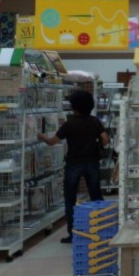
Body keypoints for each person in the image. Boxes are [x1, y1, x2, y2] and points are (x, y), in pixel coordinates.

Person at [37, 89, 109, 243]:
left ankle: (73, 233)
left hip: (73, 163)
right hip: (92, 162)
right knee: (96, 196)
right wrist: (99, 145)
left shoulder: (69, 124)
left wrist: (42, 137)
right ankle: (102, 228)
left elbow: (52, 142)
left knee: (70, 199)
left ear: (74, 106)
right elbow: (105, 139)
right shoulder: (95, 121)